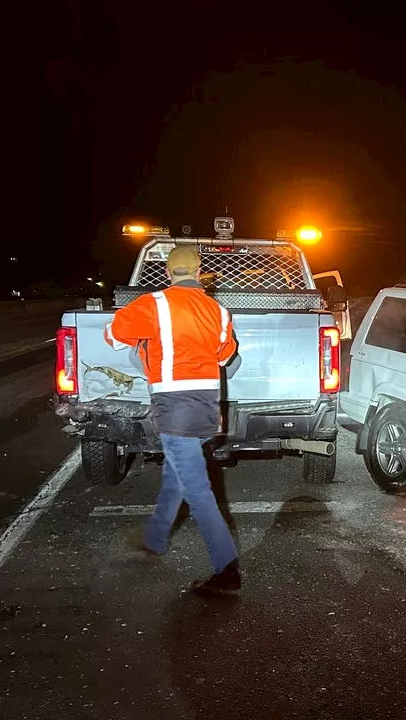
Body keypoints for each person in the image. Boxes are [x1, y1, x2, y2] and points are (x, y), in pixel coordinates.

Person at [104, 245, 242, 595]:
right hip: (207, 405)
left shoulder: (153, 304)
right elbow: (226, 356)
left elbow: (114, 335)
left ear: (168, 272)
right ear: (199, 273)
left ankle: (227, 570)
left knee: (196, 487)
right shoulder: (218, 310)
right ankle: (155, 536)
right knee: (177, 470)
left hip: (174, 403)